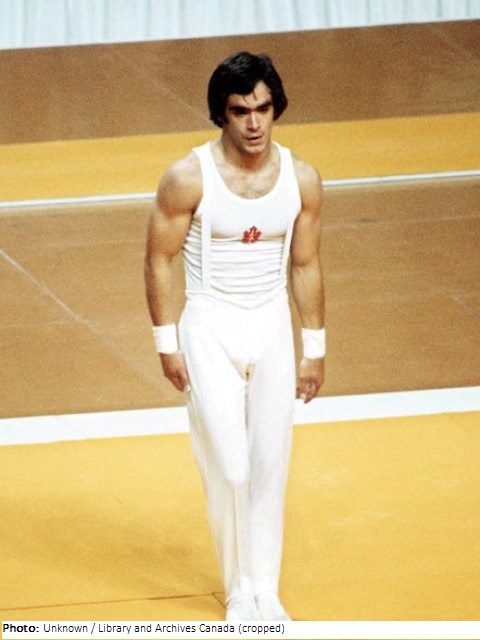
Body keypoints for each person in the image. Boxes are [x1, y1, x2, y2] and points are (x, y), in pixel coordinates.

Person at [144, 51, 325, 621]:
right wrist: (166, 343)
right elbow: (159, 259)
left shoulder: (301, 179)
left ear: (276, 109)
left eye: (263, 109)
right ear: (220, 114)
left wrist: (314, 349)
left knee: (270, 464)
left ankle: (263, 590)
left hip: (271, 326)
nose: (253, 123)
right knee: (230, 467)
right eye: (240, 111)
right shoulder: (188, 177)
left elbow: (305, 265)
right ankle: (238, 588)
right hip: (209, 327)